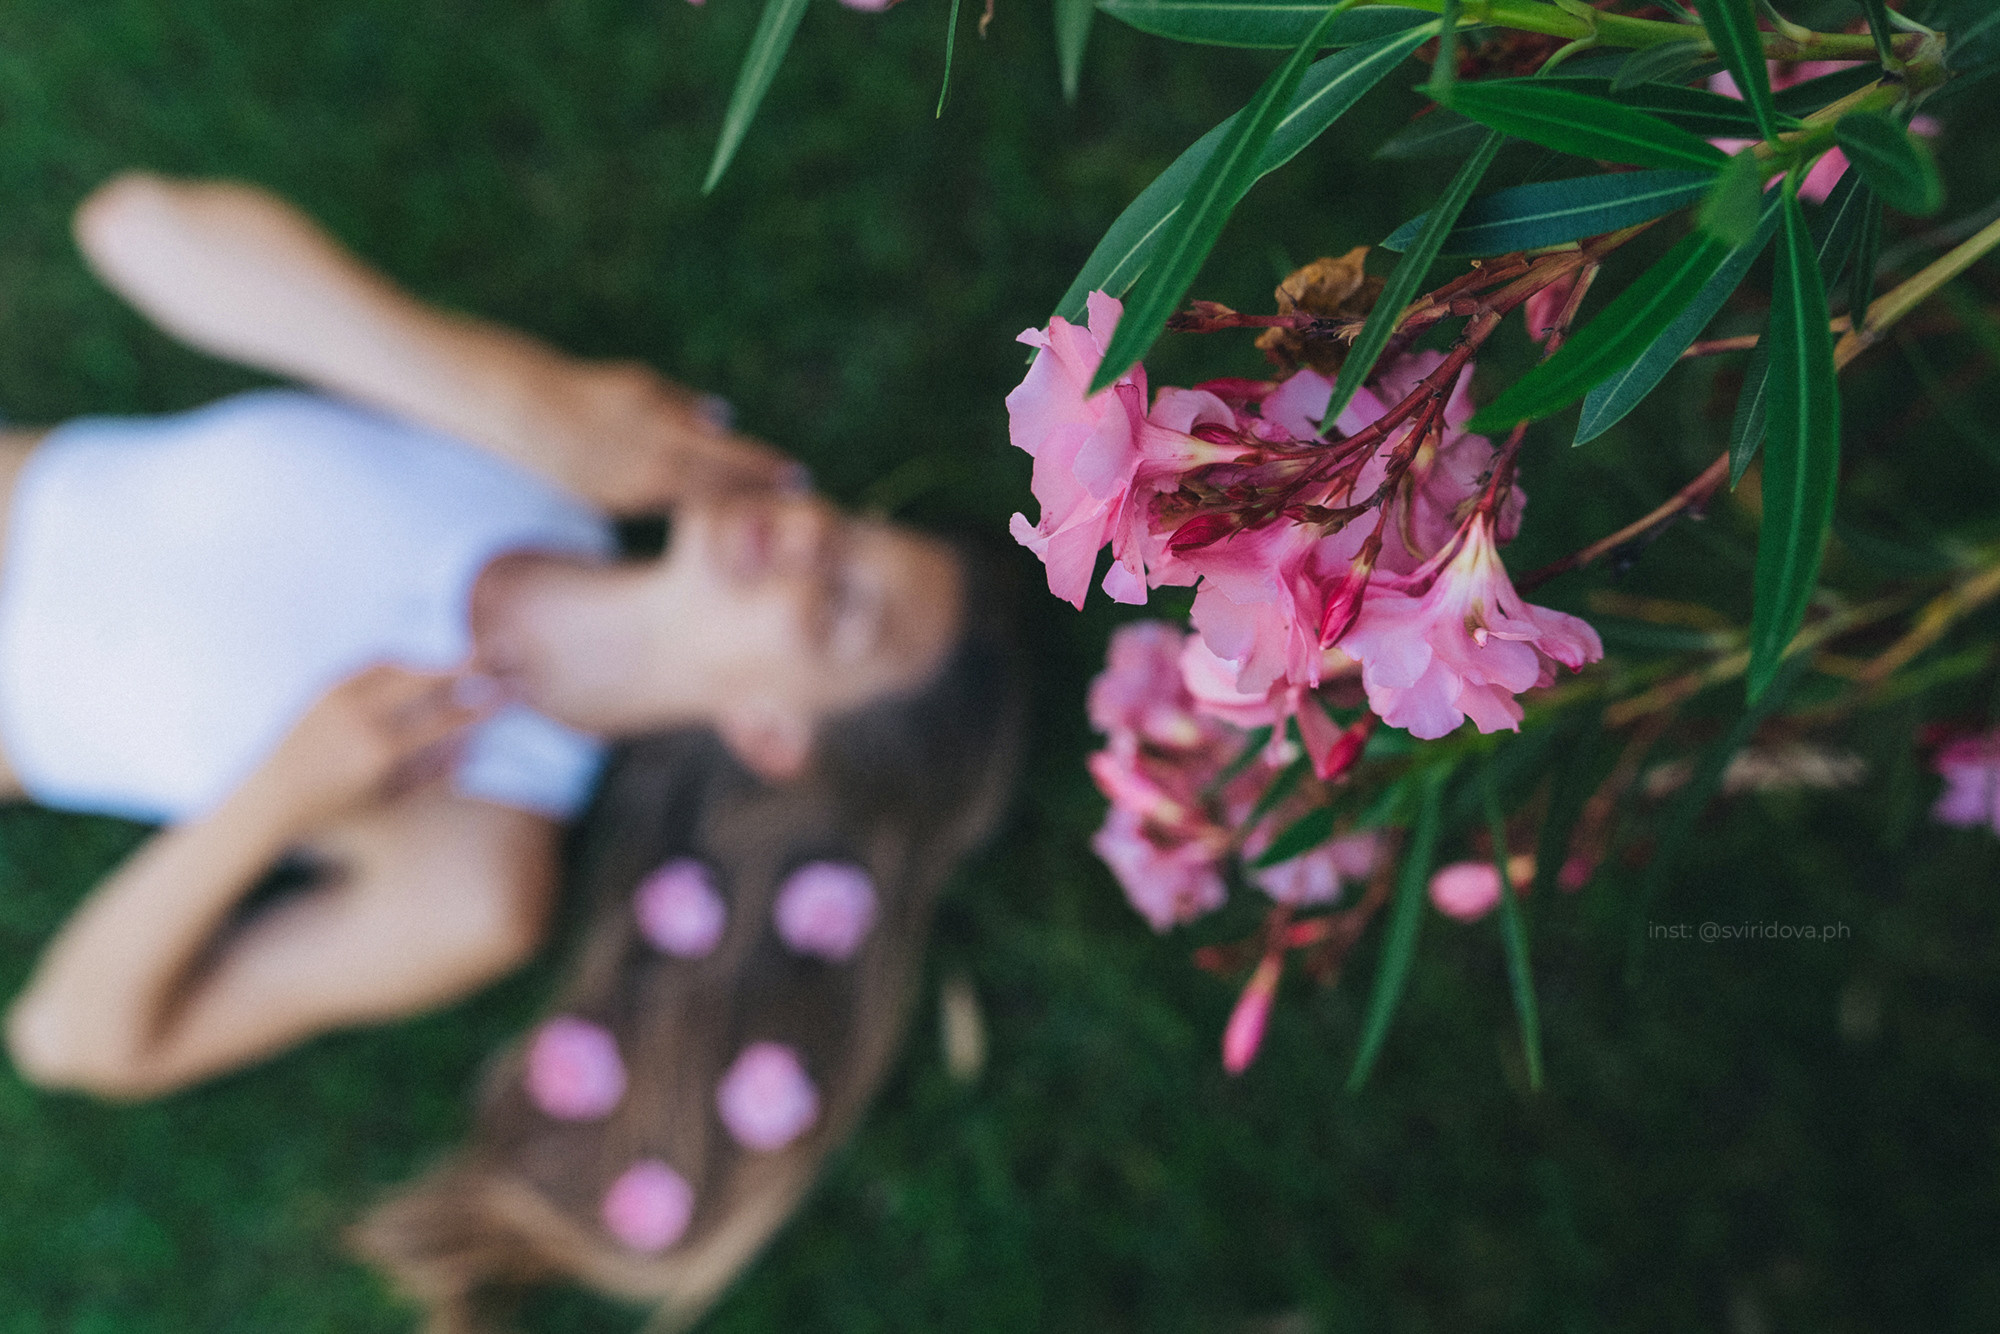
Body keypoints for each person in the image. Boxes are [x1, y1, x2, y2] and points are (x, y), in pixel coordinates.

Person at [0, 173, 1015, 1124]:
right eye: (842, 527)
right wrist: (516, 399)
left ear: (773, 733)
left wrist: (275, 798)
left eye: (838, 608)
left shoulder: (477, 875)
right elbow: (133, 227)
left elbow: (69, 1036)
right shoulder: (542, 464)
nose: (802, 542)